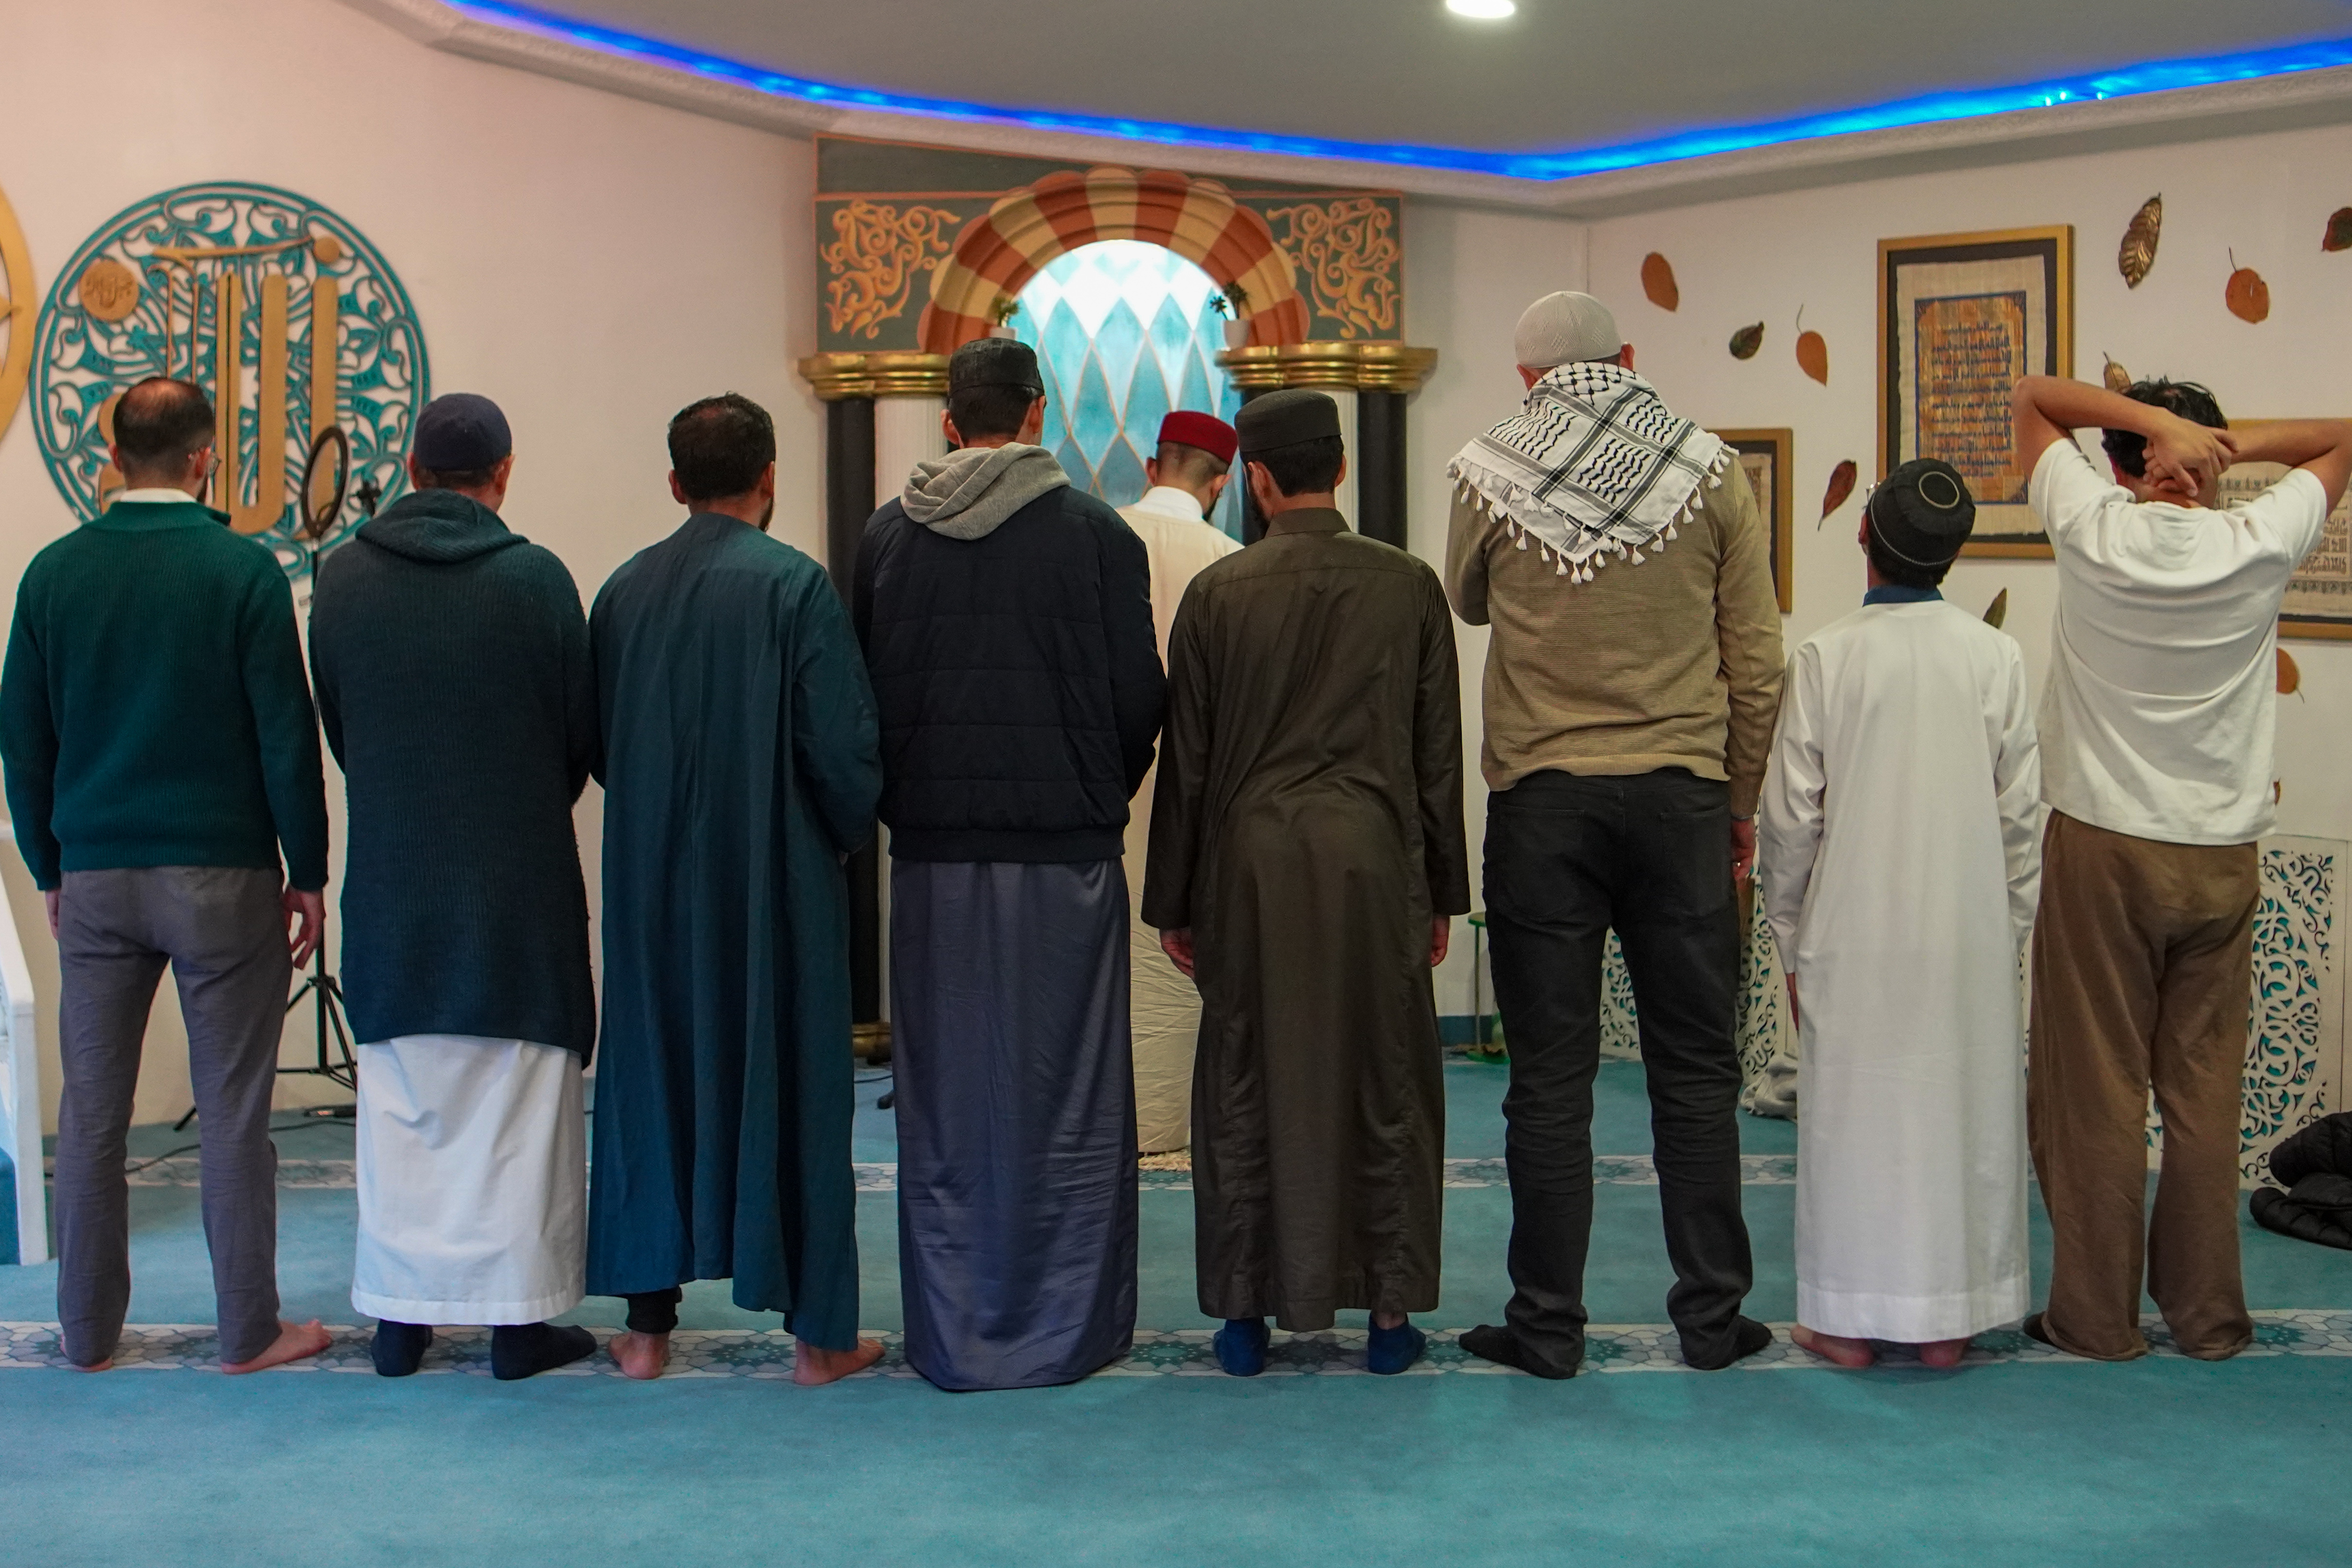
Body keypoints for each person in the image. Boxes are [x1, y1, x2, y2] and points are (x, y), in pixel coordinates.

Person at [1444, 291, 1784, 1377]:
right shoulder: (1712, 469)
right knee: (1693, 1072)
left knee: (1549, 1079)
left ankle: (1545, 1324)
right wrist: (1740, 800)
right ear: (1631, 357)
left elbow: (1465, 599)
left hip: (1543, 805)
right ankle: (1712, 1321)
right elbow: (1758, 664)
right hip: (1681, 801)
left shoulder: (1488, 467)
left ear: (1526, 381)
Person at [2009, 374, 2352, 1361]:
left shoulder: (2097, 528)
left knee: (2097, 1089)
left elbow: (2033, 400)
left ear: (2123, 460)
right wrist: (2217, 444)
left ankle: (2094, 1319)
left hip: (2104, 845)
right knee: (2203, 1095)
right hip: (2222, 856)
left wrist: (2152, 427)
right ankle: (2207, 1319)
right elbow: (2339, 439)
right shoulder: (2257, 542)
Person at [0, 377, 330, 1374]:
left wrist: (51, 863)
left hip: (97, 875)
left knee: (91, 1112)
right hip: (223, 876)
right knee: (232, 1110)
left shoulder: (53, 574)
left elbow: (23, 739)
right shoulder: (242, 570)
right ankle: (248, 1331)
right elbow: (286, 736)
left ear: (112, 457)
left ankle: (86, 1334)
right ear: (202, 458)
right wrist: (307, 870)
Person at [856, 337, 1163, 1392]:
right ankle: (1067, 1328)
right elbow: (1137, 704)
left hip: (935, 857)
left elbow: (868, 702)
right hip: (1065, 858)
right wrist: (1093, 794)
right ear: (1036, 415)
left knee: (947, 1099)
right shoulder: (1095, 534)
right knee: (1066, 1100)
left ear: (949, 420)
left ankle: (954, 1333)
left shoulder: (888, 538)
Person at [1145, 389, 1468, 1377]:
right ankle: (1385, 1317)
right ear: (1340, 468)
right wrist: (1443, 892)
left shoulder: (1220, 593)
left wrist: (1174, 900)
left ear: (1258, 478)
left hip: (1247, 866)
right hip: (1375, 860)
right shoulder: (1408, 586)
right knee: (1385, 1082)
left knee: (1246, 1078)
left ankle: (1244, 1317)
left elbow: (1188, 762)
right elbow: (1436, 756)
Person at [586, 393, 884, 1387]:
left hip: (649, 882)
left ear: (674, 485)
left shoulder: (623, 592)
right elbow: (842, 753)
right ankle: (818, 1339)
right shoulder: (794, 586)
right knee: (793, 1086)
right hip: (773, 883)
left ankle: (644, 1333)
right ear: (771, 480)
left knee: (650, 1084)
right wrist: (841, 845)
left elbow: (597, 746)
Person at [308, 392, 600, 1381]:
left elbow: (344, 730)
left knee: (401, 1110)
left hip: (395, 881)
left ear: (415, 469)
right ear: (502, 473)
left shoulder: (341, 578)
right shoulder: (536, 579)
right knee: (519, 1115)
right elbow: (578, 737)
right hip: (514, 884)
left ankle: (401, 1321)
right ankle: (519, 1328)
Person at [1757, 459, 2040, 1370]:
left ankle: (1841, 1321)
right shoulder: (1994, 655)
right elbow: (2019, 819)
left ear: (1862, 538)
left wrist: (1791, 944)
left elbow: (1788, 822)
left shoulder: (1827, 656)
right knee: (1956, 1115)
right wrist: (2009, 938)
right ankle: (1948, 1323)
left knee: (1855, 1123)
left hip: (1854, 926)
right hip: (1967, 930)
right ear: (1950, 558)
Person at [1117, 410, 1241, 1155]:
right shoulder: (1229, 558)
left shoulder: (1101, 536)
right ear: (1223, 482)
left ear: (1148, 464)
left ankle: (1114, 1118)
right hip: (1198, 787)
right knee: (1180, 955)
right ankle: (1174, 1120)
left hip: (1107, 781)